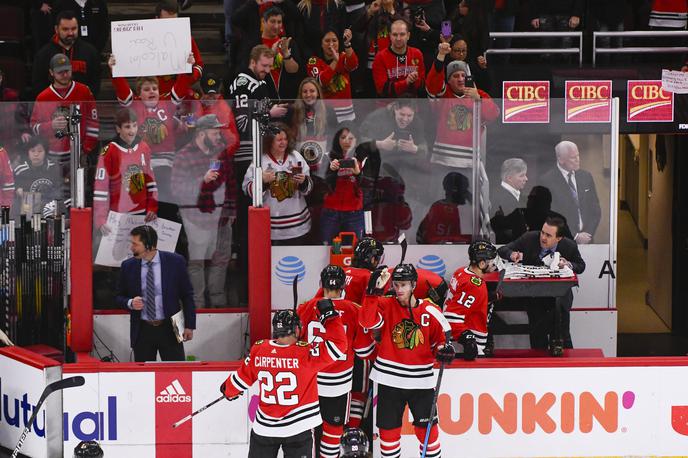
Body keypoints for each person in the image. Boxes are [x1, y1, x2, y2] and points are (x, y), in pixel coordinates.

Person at [221, 306, 347, 457]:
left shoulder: (259, 349)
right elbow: (339, 345)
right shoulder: (305, 352)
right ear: (297, 329)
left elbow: (240, 380)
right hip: (298, 428)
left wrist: (227, 390)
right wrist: (330, 317)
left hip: (265, 429)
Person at [360, 263, 455, 458]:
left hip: (421, 382)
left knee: (428, 434)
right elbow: (366, 322)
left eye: (403, 285)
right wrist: (372, 293)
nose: (399, 289)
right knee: (388, 435)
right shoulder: (386, 304)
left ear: (413, 285)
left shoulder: (431, 309)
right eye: (396, 285)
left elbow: (442, 340)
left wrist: (443, 350)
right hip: (388, 380)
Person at [297, 265, 374, 458]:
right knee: (333, 431)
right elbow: (364, 351)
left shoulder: (306, 307)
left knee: (309, 430)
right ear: (343, 286)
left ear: (321, 284)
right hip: (338, 384)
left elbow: (294, 345)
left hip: (310, 381)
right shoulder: (354, 310)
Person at [108, 51, 194, 222]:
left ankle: (166, 241)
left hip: (164, 166)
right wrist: (114, 69)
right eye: (147, 89)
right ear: (139, 93)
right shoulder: (133, 106)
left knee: (166, 206)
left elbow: (181, 87)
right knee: (138, 205)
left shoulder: (167, 104)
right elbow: (123, 90)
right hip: (139, 165)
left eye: (154, 88)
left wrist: (187, 66)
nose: (152, 91)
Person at [497, 215, 585, 354]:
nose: (543, 237)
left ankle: (568, 369)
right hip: (535, 297)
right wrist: (512, 254)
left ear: (559, 238)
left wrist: (567, 264)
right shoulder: (529, 238)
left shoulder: (569, 245)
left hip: (559, 297)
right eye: (543, 233)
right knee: (538, 338)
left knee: (562, 335)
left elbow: (581, 266)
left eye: (549, 235)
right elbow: (502, 250)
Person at [172, 114, 233, 308]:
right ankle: (197, 306)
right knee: (197, 262)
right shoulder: (184, 155)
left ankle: (217, 304)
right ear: (201, 133)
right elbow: (177, 190)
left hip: (222, 218)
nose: (218, 136)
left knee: (221, 260)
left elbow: (231, 183)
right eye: (215, 132)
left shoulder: (221, 152)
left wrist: (232, 212)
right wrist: (202, 180)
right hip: (196, 218)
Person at [116, 225, 196, 362]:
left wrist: (189, 325)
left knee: (175, 373)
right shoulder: (128, 266)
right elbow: (118, 296)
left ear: (149, 245)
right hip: (142, 330)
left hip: (170, 328)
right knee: (144, 376)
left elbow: (187, 295)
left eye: (135, 244)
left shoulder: (175, 262)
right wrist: (130, 303)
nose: (131, 248)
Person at [242, 124, 313, 244]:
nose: (283, 143)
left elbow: (309, 187)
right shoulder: (260, 160)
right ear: (270, 141)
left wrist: (303, 181)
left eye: (285, 139)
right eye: (279, 140)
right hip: (272, 228)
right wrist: (262, 182)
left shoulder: (295, 156)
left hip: (298, 225)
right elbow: (246, 188)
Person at [93, 109, 158, 234]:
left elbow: (151, 182)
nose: (132, 131)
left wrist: (152, 207)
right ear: (118, 129)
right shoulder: (108, 151)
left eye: (134, 125)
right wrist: (100, 219)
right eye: (127, 127)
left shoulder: (144, 147)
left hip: (142, 215)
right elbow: (100, 189)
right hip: (116, 216)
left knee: (139, 252)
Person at [30, 53, 99, 170]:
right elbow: (34, 127)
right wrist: (50, 125)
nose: (65, 75)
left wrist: (86, 148)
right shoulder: (43, 97)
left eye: (67, 70)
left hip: (78, 152)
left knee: (80, 187)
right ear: (51, 73)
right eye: (60, 72)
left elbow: (93, 122)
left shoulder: (84, 91)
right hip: (51, 156)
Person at [539, 141, 601, 245]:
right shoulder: (546, 181)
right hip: (562, 242)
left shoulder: (586, 177)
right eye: (573, 157)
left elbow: (595, 210)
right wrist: (575, 236)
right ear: (561, 159)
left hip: (587, 241)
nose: (578, 160)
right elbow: (549, 216)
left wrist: (588, 234)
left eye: (578, 156)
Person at [443, 240, 497, 359]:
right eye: (491, 260)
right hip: (465, 347)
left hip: (456, 341)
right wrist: (467, 339)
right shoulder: (475, 285)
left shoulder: (461, 271)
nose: (493, 264)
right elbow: (451, 316)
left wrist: (486, 297)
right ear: (482, 264)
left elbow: (463, 303)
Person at [31, 10, 101, 98]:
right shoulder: (43, 54)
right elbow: (38, 86)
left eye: (74, 29)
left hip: (83, 105)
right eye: (65, 29)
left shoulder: (91, 52)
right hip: (53, 107)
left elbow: (95, 84)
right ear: (56, 29)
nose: (70, 33)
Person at [320, 126, 367, 243]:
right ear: (337, 139)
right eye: (343, 137)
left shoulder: (364, 158)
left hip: (354, 212)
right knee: (327, 247)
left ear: (357, 140)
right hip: (331, 211)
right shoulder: (329, 156)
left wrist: (358, 173)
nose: (347, 141)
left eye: (351, 138)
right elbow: (321, 183)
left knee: (355, 248)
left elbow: (368, 185)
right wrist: (331, 171)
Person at [307, 28, 359, 123]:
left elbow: (353, 65)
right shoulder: (313, 61)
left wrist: (347, 44)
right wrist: (335, 61)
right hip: (325, 115)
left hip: (347, 114)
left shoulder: (343, 56)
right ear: (321, 44)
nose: (331, 44)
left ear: (339, 43)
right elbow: (320, 82)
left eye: (334, 40)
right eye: (327, 41)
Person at [153, 0, 204, 96]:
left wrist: (190, 73)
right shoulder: (145, 38)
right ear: (157, 19)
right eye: (166, 22)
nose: (170, 25)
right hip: (154, 97)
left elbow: (199, 65)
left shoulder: (185, 37)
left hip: (181, 95)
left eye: (174, 21)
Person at [371, 19, 426, 98]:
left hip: (412, 104)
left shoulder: (417, 54)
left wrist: (415, 81)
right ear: (390, 36)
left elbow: (422, 86)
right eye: (395, 35)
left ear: (408, 36)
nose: (398, 38)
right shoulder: (380, 57)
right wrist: (406, 82)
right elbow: (382, 90)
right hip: (388, 105)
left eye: (402, 34)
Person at [416, 171, 472, 244]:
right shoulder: (442, 209)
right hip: (434, 252)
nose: (466, 194)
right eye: (464, 191)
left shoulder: (443, 207)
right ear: (456, 191)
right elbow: (433, 240)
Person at [13, 136, 64, 216]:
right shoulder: (20, 171)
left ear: (45, 152)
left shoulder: (53, 168)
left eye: (40, 151)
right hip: (28, 209)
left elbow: (60, 190)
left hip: (50, 210)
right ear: (28, 152)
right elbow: (12, 189)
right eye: (32, 151)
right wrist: (17, 190)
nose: (36, 154)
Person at [490, 158, 529, 244]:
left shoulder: (523, 198)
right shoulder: (497, 199)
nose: (526, 179)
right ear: (509, 178)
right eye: (522, 175)